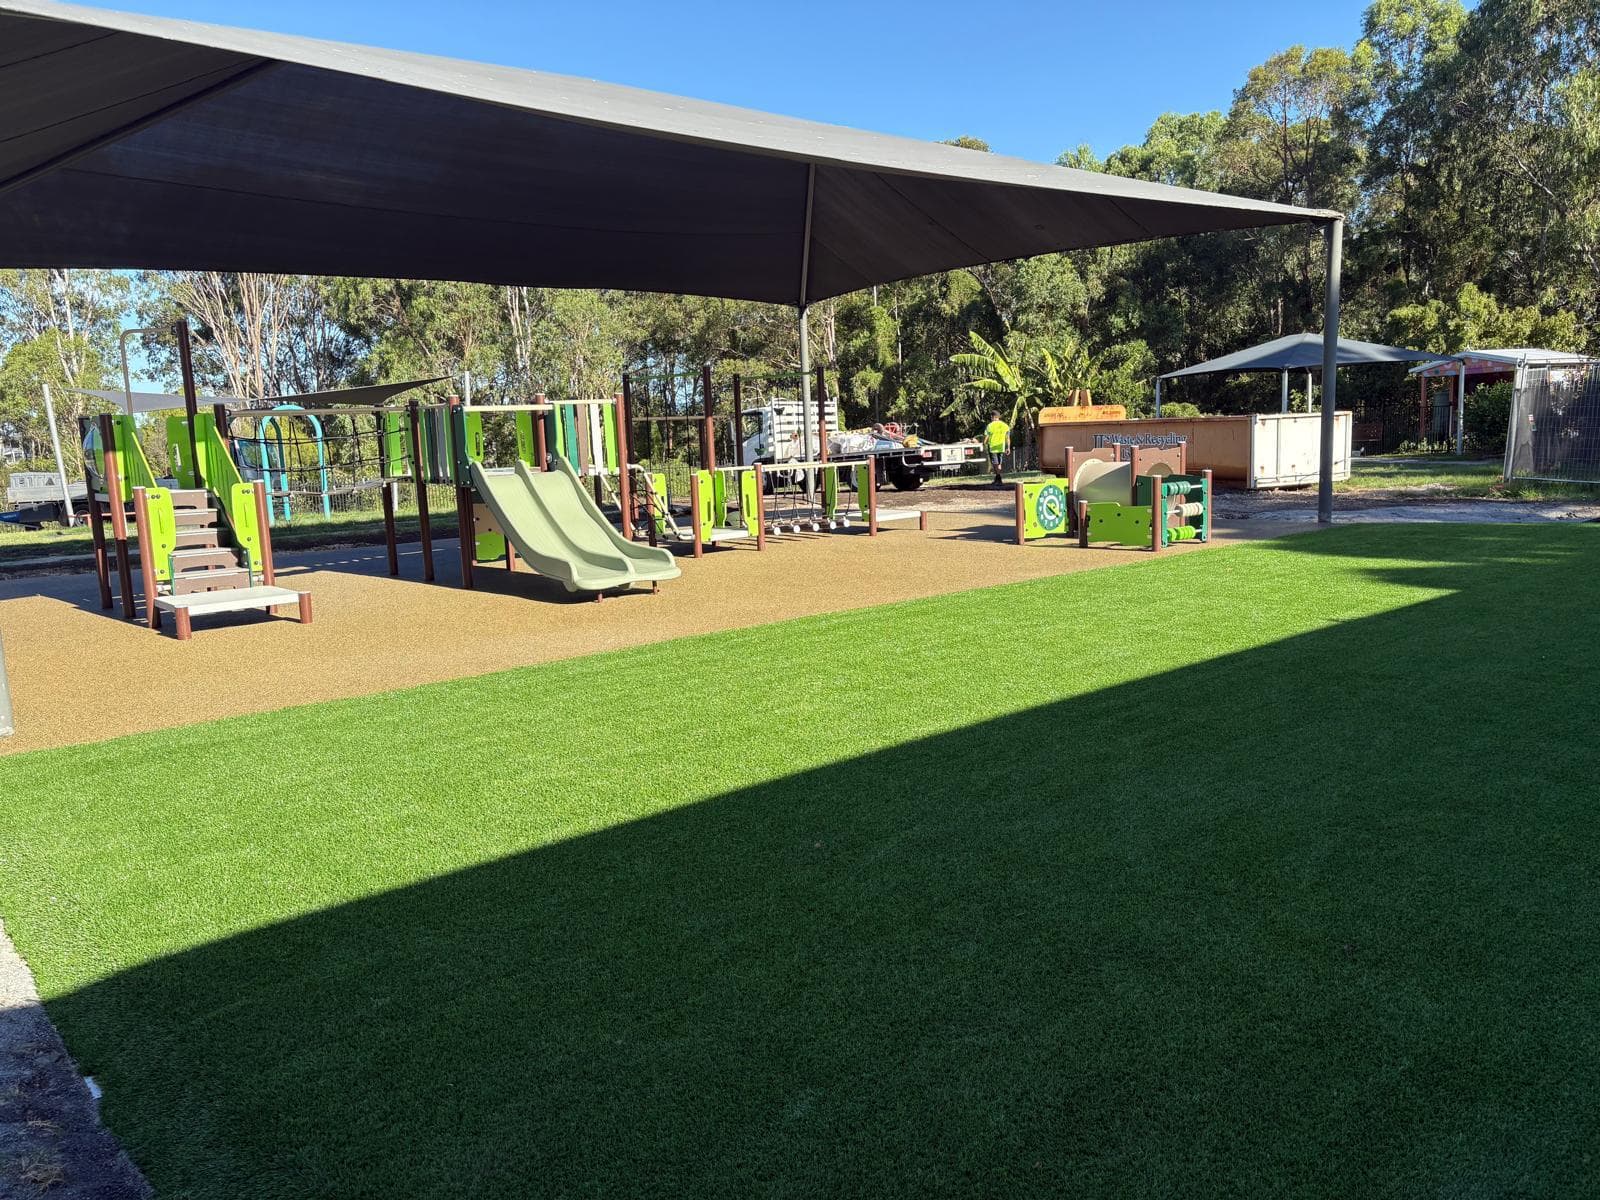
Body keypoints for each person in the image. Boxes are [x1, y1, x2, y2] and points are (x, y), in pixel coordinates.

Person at [983, 412, 1011, 485]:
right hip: (1001, 447)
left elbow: (986, 437)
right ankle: (997, 479)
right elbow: (1008, 438)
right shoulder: (1005, 426)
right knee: (999, 463)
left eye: (991, 417)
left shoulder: (990, 426)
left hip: (992, 447)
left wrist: (984, 443)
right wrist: (1008, 448)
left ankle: (999, 478)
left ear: (993, 417)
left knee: (995, 463)